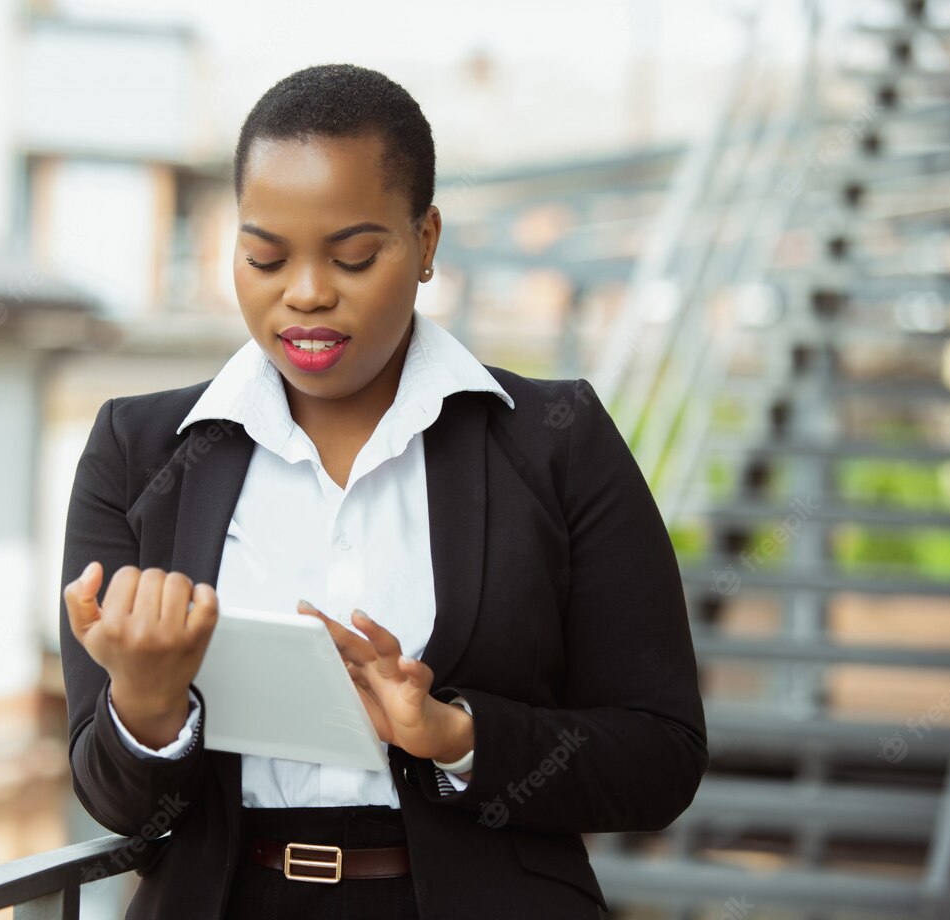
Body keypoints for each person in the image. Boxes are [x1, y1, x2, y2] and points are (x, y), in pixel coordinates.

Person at [59, 62, 707, 920]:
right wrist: (145, 704)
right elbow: (120, 807)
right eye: (264, 256)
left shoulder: (556, 441)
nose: (307, 293)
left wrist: (456, 736)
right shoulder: (138, 453)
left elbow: (659, 756)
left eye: (355, 255)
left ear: (428, 241)